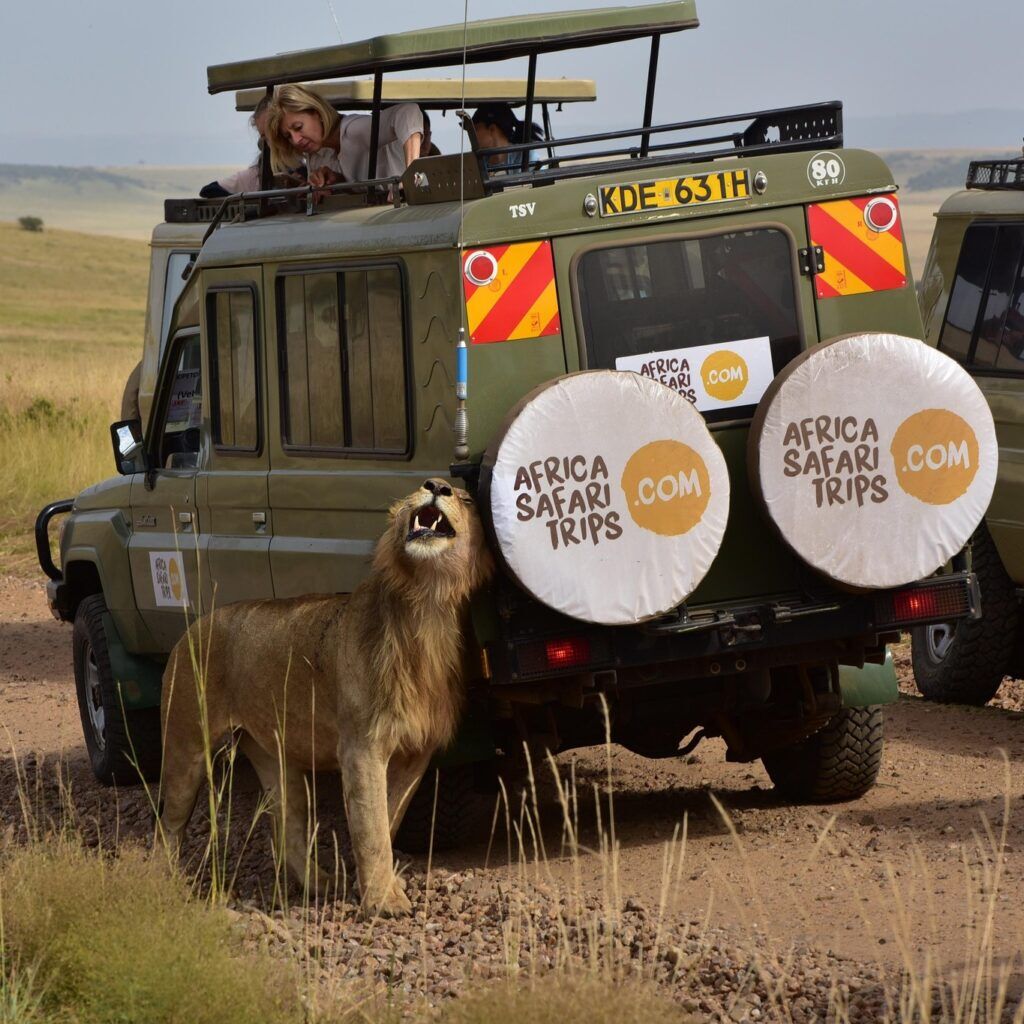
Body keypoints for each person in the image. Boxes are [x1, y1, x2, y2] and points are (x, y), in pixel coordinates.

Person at [267, 84, 423, 189]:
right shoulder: (317, 157)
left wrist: (411, 176)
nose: (296, 140)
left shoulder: (354, 130)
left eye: (298, 127)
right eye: (288, 136)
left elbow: (408, 112)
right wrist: (333, 182)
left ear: (317, 113)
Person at [199, 96, 272, 199]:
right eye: (266, 137)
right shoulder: (255, 174)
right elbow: (209, 190)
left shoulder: (300, 166)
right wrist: (246, 200)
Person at [469, 103, 543, 173]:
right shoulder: (479, 160)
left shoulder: (526, 156)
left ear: (492, 129)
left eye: (476, 129)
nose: (471, 134)